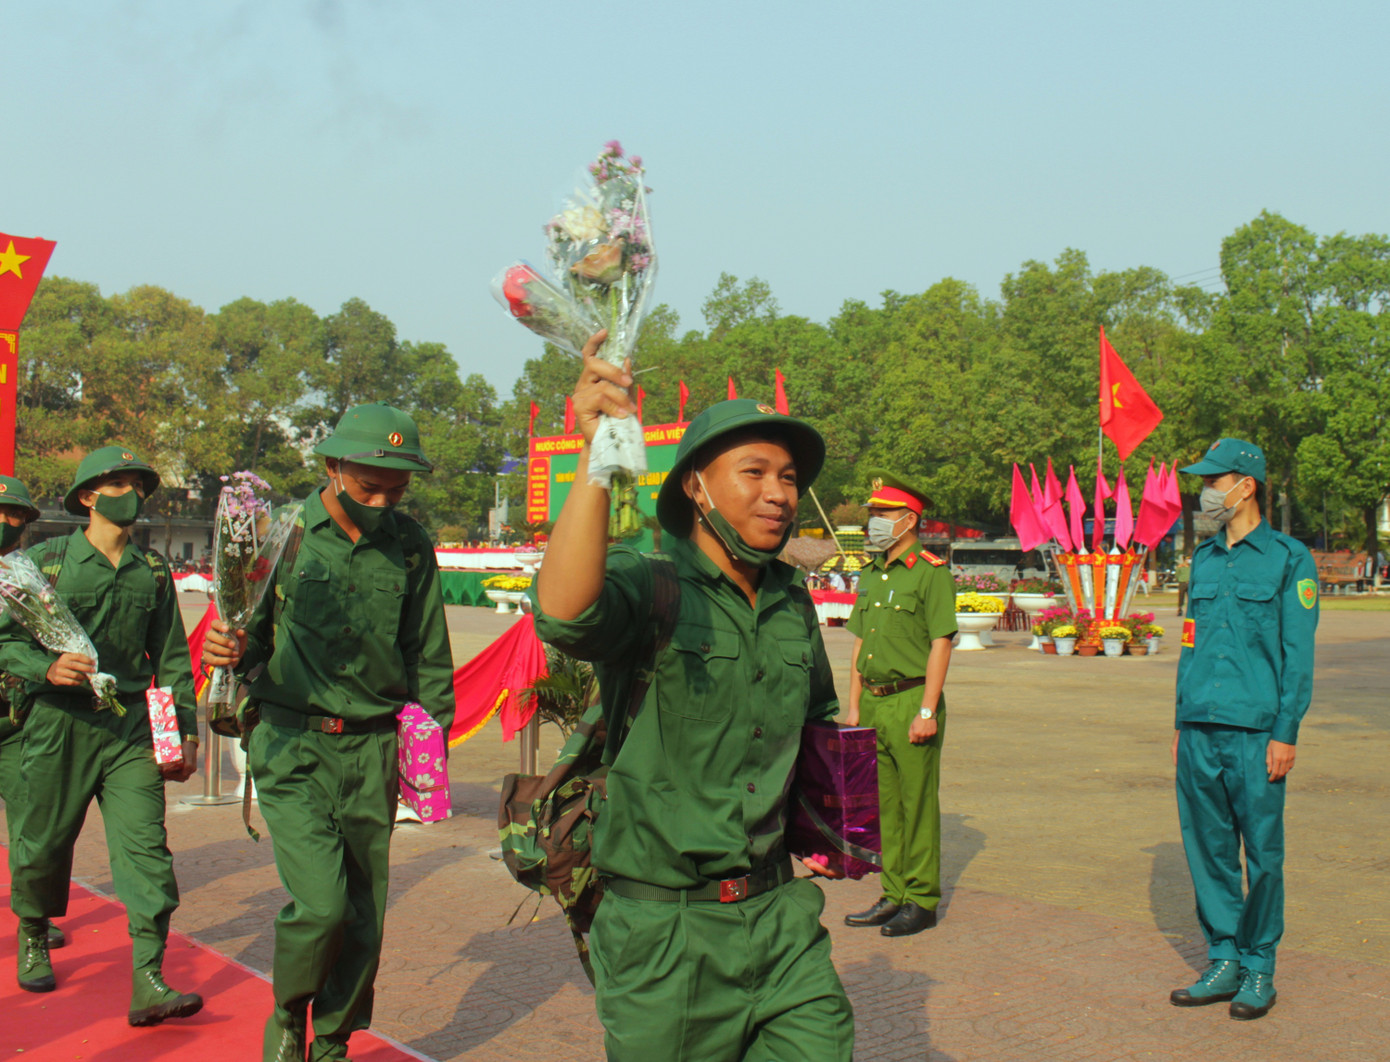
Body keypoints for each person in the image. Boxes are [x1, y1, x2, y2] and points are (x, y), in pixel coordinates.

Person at [531, 332, 854, 1061]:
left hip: (781, 918)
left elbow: (817, 724)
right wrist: (594, 454)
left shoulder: (791, 601)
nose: (780, 493)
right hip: (664, 934)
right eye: (754, 472)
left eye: (789, 476)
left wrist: (834, 825)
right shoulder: (650, 583)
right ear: (694, 486)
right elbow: (564, 614)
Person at [203, 403, 455, 1062]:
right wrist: (226, 651)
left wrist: (429, 753)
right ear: (332, 466)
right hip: (292, 743)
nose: (382, 501)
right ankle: (290, 1013)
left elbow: (427, 654)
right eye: (370, 486)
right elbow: (245, 634)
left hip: (374, 749)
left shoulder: (410, 546)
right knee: (321, 905)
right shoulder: (282, 536)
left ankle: (334, 1041)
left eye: (396, 490)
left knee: (364, 917)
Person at [0, 447, 201, 1025]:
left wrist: (181, 734)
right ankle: (33, 930)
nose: (130, 494)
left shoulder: (153, 570)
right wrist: (46, 668)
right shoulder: (46, 562)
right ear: (87, 497)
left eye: (137, 484)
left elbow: (170, 658)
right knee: (42, 844)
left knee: (147, 852)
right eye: (117, 484)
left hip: (130, 729)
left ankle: (149, 979)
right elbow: (5, 640)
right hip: (59, 723)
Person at [1168, 438, 1318, 1021]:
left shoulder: (1288, 558)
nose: (1205, 492)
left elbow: (1297, 655)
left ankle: (1259, 967)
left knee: (1263, 854)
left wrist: (1287, 731)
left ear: (1245, 485)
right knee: (1208, 851)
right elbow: (1189, 644)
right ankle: (1224, 957)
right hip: (1199, 728)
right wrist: (1179, 721)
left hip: (1257, 733)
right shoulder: (1204, 558)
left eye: (1214, 481)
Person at [842, 469, 956, 937]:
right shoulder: (871, 573)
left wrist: (927, 710)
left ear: (909, 520)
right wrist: (853, 707)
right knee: (884, 806)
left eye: (882, 513)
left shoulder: (930, 572)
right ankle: (893, 893)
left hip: (911, 699)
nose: (873, 521)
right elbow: (858, 643)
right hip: (874, 701)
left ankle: (921, 899)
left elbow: (941, 643)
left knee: (917, 804)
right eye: (872, 513)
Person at [0, 476, 67, 953]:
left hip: (14, 720)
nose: (7, 522)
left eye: (15, 514)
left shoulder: (31, 575)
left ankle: (33, 919)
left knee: (32, 829)